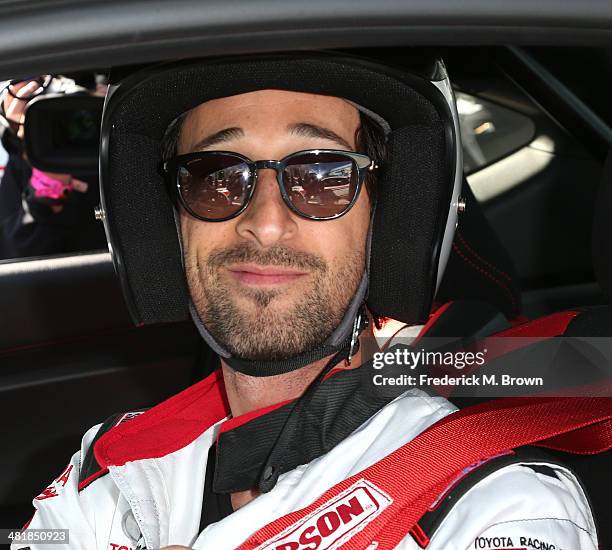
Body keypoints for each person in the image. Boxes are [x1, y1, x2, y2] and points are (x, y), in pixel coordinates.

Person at [12, 53, 601, 550]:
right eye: (217, 176)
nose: (265, 225)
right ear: (166, 223)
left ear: (387, 217)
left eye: (324, 176)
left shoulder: (499, 505)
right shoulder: (108, 469)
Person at [0, 77, 106, 259]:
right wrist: (48, 191)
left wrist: (121, 107)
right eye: (38, 82)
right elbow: (20, 262)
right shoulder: (21, 156)